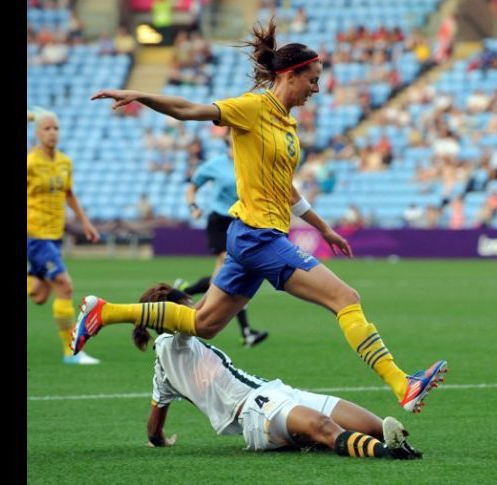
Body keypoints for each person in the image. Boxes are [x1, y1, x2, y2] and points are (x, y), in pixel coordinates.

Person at [78, 18, 447, 413]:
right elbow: (190, 110)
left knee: (204, 324)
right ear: (290, 75)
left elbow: (286, 189)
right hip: (258, 236)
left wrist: (325, 229)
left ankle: (105, 310)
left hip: (252, 236)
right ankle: (401, 384)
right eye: (313, 80)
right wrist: (139, 94)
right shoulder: (251, 108)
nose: (316, 89)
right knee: (345, 298)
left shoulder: (288, 124)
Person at [135, 283, 422, 459]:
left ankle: (310, 440)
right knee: (324, 427)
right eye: (188, 305)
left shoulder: (165, 367)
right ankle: (387, 453)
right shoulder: (174, 342)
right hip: (254, 410)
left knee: (372, 426)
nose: (195, 309)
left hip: (275, 392)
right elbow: (190, 320)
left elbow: (153, 427)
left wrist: (160, 440)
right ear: (173, 314)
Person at [27, 108, 101, 365]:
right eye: (47, 128)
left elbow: (69, 194)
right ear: (37, 133)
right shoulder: (30, 162)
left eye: (56, 128)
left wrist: (85, 223)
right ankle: (71, 352)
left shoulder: (64, 162)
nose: (52, 133)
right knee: (64, 285)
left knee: (38, 294)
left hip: (54, 234)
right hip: (34, 235)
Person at [174, 151, 269, 348]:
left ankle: (186, 291)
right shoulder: (216, 164)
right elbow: (192, 186)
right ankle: (244, 331)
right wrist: (193, 207)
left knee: (232, 274)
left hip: (242, 220)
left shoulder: (251, 160)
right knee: (229, 266)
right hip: (219, 220)